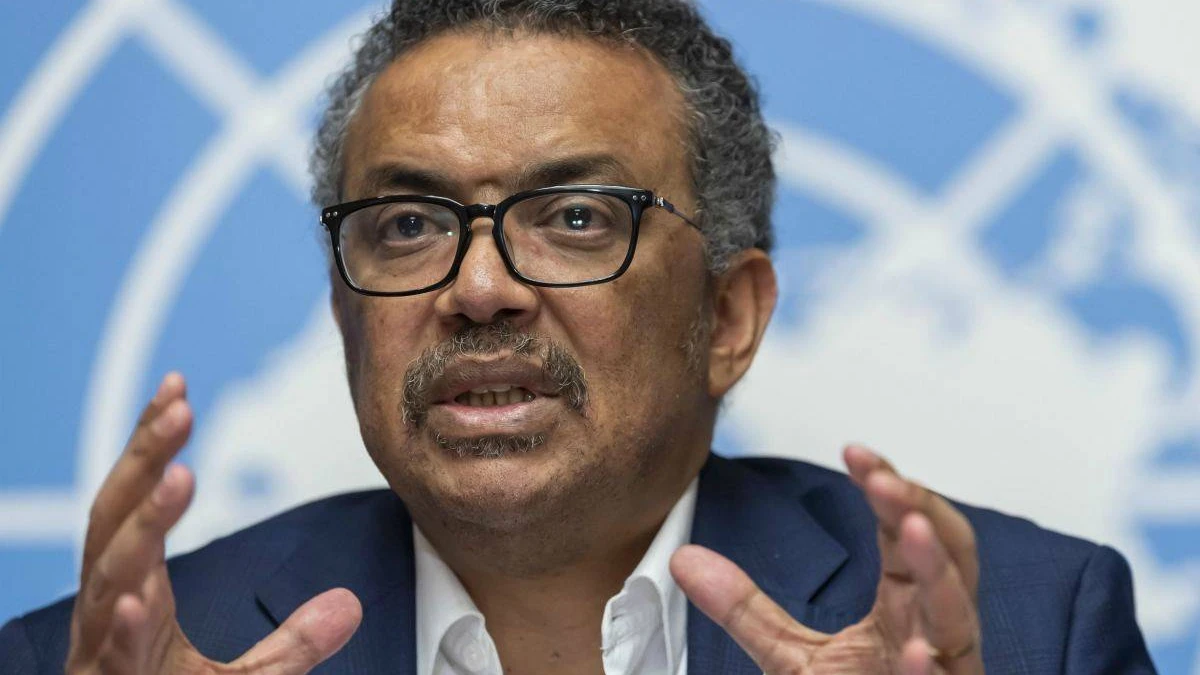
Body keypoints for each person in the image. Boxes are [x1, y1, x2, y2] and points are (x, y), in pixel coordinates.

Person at [0, 1, 1157, 673]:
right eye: (408, 226)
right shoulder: (104, 658)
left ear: (728, 316)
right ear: (347, 311)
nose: (480, 288)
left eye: (575, 219)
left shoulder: (1032, 628)